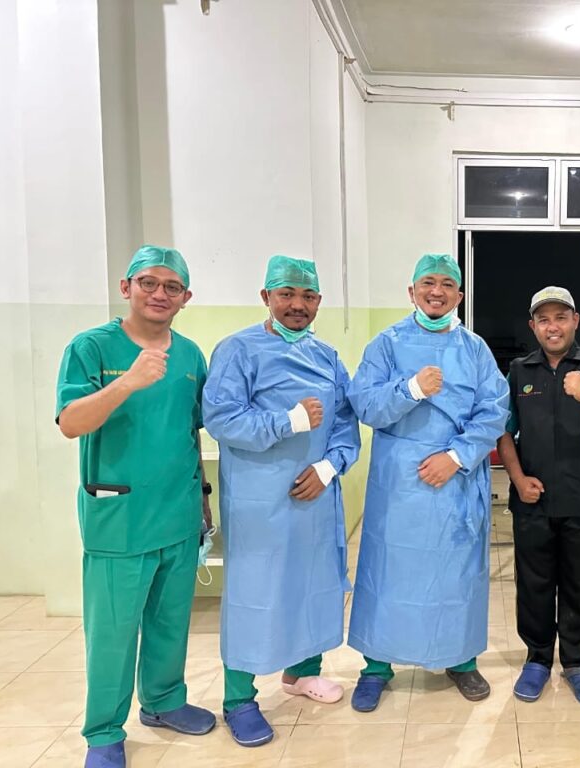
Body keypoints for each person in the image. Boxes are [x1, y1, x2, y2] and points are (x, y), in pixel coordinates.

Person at [56, 245, 216, 768]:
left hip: (177, 511)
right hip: (119, 517)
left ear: (186, 297)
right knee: (113, 632)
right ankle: (104, 731)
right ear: (126, 287)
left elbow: (190, 430)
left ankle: (164, 701)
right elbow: (71, 423)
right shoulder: (92, 348)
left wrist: (202, 497)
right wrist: (128, 381)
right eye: (149, 282)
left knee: (170, 620)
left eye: (173, 286)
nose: (160, 294)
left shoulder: (189, 356)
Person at [202, 255, 360, 747]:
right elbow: (221, 418)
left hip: (315, 497)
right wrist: (287, 421)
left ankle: (302, 673)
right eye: (287, 294)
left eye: (307, 296)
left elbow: (345, 422)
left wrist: (328, 467)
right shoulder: (238, 350)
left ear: (319, 302)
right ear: (266, 296)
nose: (297, 304)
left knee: (311, 585)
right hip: (260, 501)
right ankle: (238, 699)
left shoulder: (327, 357)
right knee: (257, 592)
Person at [345, 253, 509, 712]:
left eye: (447, 284)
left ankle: (461, 659)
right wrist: (411, 389)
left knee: (456, 574)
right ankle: (376, 665)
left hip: (455, 481)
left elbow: (494, 410)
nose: (437, 291)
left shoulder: (474, 349)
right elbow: (365, 405)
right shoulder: (386, 344)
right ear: (412, 291)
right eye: (428, 283)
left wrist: (455, 457)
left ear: (459, 295)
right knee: (389, 572)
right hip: (399, 486)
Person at [496, 287, 580, 705]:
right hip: (533, 500)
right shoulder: (519, 372)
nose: (553, 327)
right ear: (533, 326)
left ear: (575, 321)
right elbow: (503, 431)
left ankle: (575, 662)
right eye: (544, 319)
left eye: (561, 317)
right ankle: (537, 659)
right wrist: (518, 479)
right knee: (533, 583)